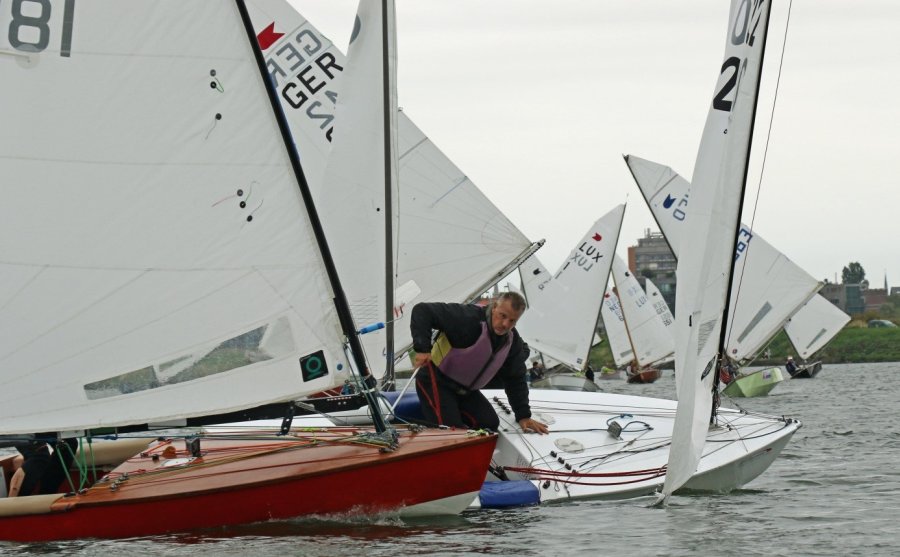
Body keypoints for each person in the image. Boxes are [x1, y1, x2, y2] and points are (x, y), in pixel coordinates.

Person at [410, 292, 549, 434]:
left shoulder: (512, 342)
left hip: (466, 391)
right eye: (503, 316)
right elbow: (422, 310)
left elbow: (516, 378)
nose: (505, 324)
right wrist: (422, 349)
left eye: (512, 321)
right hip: (436, 379)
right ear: (494, 307)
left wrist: (523, 415)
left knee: (490, 424)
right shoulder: (467, 317)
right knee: (451, 432)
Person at [8, 436, 78, 497]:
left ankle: (46, 494)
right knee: (40, 456)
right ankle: (15, 502)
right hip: (20, 427)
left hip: (40, 426)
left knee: (69, 442)